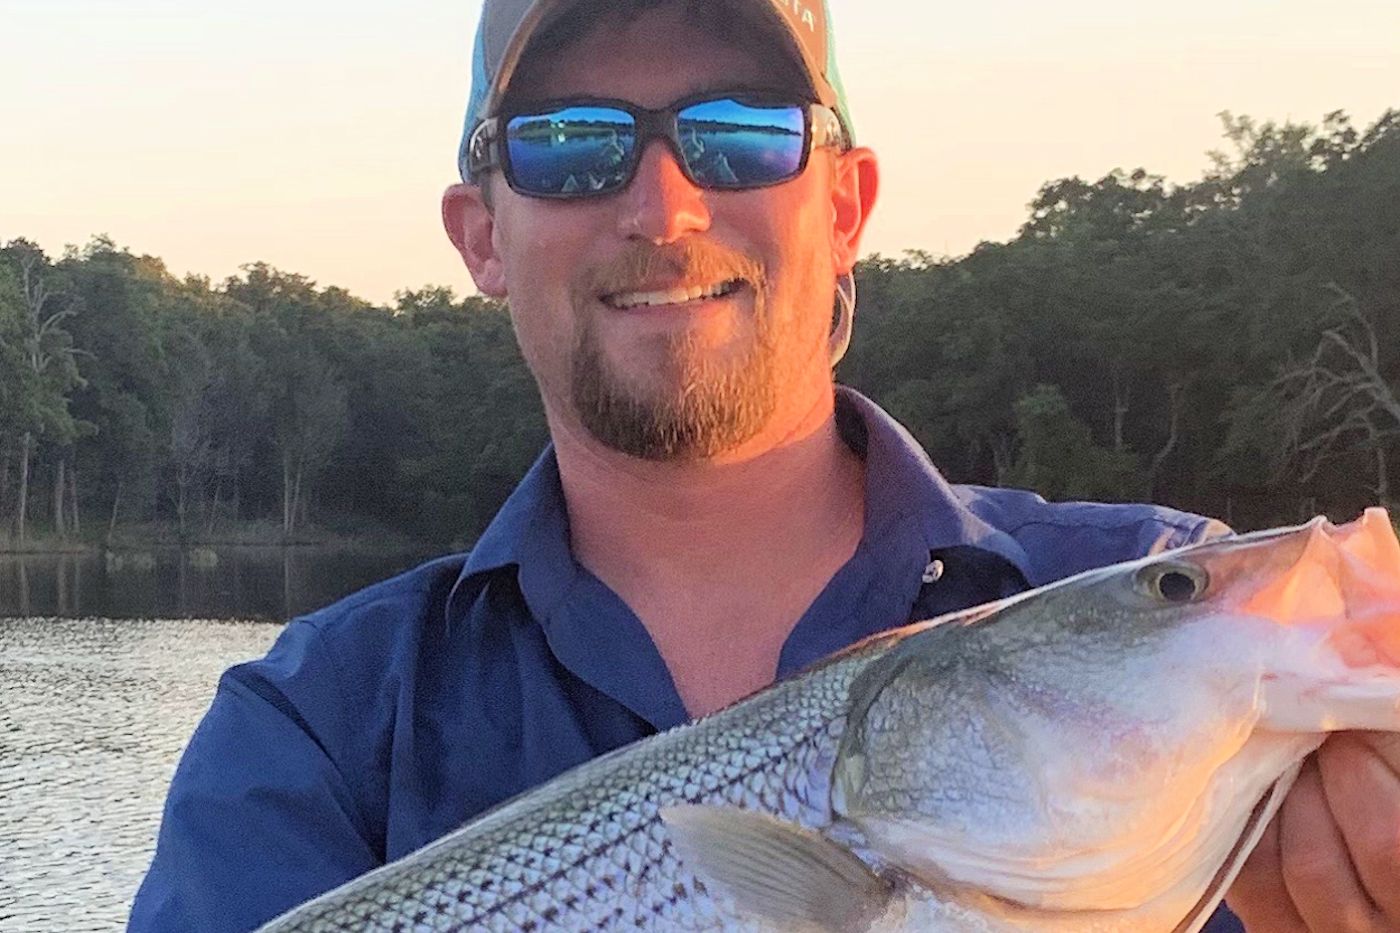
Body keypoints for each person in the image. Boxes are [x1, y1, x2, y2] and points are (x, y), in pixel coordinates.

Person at [129, 1, 1400, 930]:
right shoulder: (314, 731)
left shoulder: (1148, 584)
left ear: (844, 207)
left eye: (738, 135)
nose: (663, 209)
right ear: (481, 237)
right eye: (570, 144)